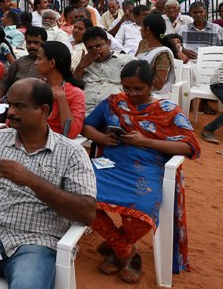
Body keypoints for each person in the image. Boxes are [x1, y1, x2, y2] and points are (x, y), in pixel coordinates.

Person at [0, 78, 96, 289]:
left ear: (43, 111)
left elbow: (87, 212)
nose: (10, 112)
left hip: (34, 247)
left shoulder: (72, 153)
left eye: (19, 106)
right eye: (10, 104)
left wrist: (31, 180)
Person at [82, 60, 200, 282]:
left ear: (151, 84)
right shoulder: (114, 102)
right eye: (127, 88)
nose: (132, 94)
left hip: (147, 168)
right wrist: (102, 138)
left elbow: (189, 146)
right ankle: (126, 250)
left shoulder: (167, 111)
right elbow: (87, 126)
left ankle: (117, 248)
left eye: (139, 89)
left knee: (142, 210)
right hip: (110, 164)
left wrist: (145, 141)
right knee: (79, 196)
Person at [0, 26, 48, 128]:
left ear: (44, 43)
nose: (32, 46)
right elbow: (5, 81)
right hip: (8, 103)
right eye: (29, 42)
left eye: (36, 43)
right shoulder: (20, 62)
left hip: (30, 106)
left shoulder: (47, 64)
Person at [74, 27, 135, 115]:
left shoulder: (127, 61)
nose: (96, 50)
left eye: (98, 46)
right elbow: (73, 87)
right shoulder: (84, 63)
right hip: (85, 112)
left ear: (108, 43)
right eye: (90, 48)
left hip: (116, 112)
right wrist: (81, 67)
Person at [35, 41, 85, 138]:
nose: (35, 63)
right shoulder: (36, 86)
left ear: (52, 63)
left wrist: (62, 99)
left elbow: (70, 133)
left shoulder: (76, 93)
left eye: (39, 59)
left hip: (58, 143)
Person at [136, 13, 177, 99]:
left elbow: (159, 84)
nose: (140, 29)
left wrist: (139, 71)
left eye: (142, 26)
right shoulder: (143, 43)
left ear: (147, 29)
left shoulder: (163, 53)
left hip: (154, 93)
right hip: (136, 85)